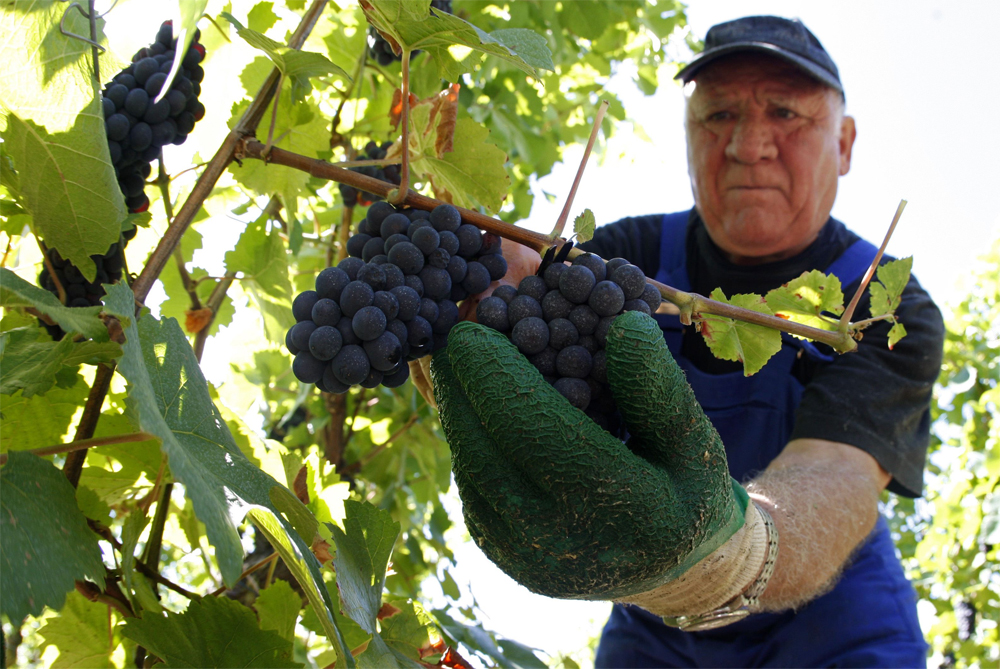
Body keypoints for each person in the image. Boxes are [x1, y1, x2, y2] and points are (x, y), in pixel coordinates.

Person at [416, 15, 944, 668]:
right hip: (654, 631)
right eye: (718, 115)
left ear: (845, 142)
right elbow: (535, 347)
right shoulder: (621, 261)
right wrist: (475, 301)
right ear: (689, 136)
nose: (749, 145)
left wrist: (729, 560)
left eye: (786, 112)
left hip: (837, 630)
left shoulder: (879, 304)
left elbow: (839, 475)